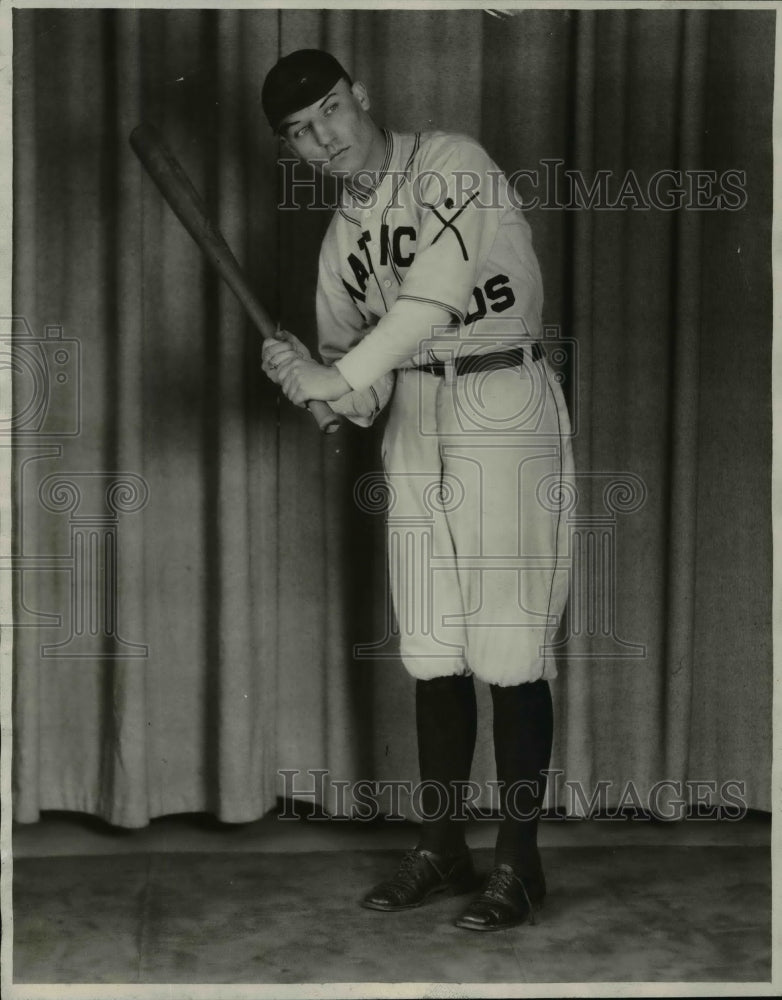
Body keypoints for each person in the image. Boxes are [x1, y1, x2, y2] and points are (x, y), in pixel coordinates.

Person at [260, 49, 574, 932]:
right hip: (418, 420)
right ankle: (444, 846)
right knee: (433, 643)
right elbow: (359, 397)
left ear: (360, 96)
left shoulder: (451, 162)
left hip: (502, 397)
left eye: (329, 111)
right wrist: (306, 376)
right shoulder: (339, 243)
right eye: (299, 133)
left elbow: (434, 297)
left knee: (509, 644)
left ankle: (519, 862)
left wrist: (339, 375)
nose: (322, 138)